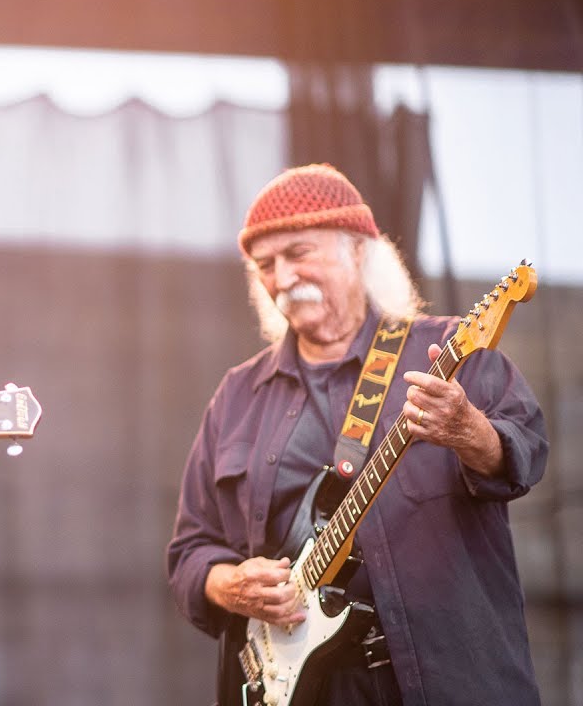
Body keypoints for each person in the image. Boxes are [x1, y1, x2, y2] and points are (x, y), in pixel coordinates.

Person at [166, 163, 547, 705]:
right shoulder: (237, 394)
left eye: (299, 253)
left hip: (438, 683)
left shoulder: (451, 352)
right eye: (266, 265)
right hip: (284, 686)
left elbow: (526, 454)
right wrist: (228, 584)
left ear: (359, 249)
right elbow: (188, 552)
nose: (282, 277)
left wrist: (468, 432)